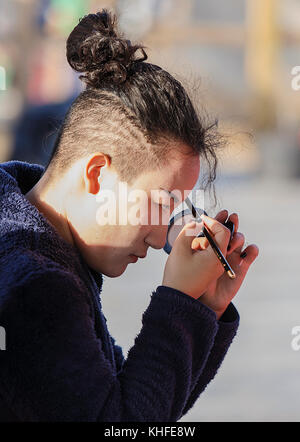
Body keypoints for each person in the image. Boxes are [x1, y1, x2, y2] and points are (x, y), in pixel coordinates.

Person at [0, 10, 259, 422]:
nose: (161, 238)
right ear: (97, 174)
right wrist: (178, 301)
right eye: (158, 202)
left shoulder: (37, 239)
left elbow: (123, 396)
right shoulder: (37, 285)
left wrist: (204, 308)